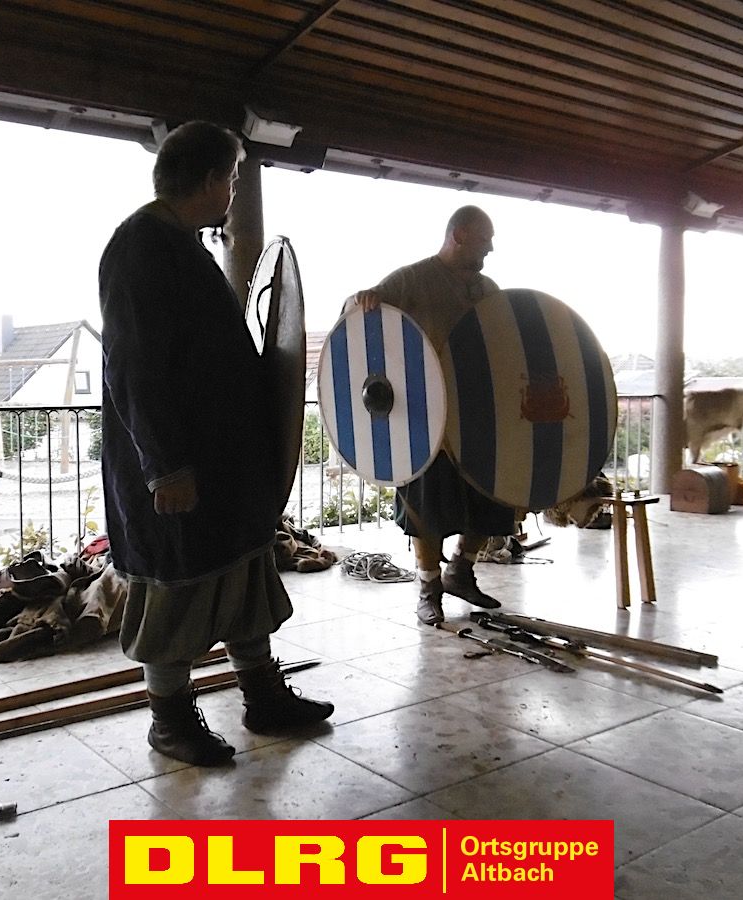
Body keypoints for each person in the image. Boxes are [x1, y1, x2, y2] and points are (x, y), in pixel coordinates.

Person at [99, 121, 332, 767]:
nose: (233, 189)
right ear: (209, 180)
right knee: (174, 593)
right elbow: (132, 364)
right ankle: (170, 721)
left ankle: (263, 696)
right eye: (231, 176)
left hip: (224, 465)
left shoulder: (180, 243)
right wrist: (164, 466)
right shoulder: (141, 247)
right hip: (181, 467)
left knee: (241, 577)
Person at [350, 206, 516, 625]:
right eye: (484, 240)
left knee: (492, 498)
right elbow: (361, 318)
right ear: (459, 235)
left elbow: (505, 342)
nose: (490, 249)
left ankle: (460, 570)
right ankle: (428, 587)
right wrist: (364, 298)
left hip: (477, 416)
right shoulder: (412, 279)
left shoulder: (489, 289)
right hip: (424, 420)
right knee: (426, 510)